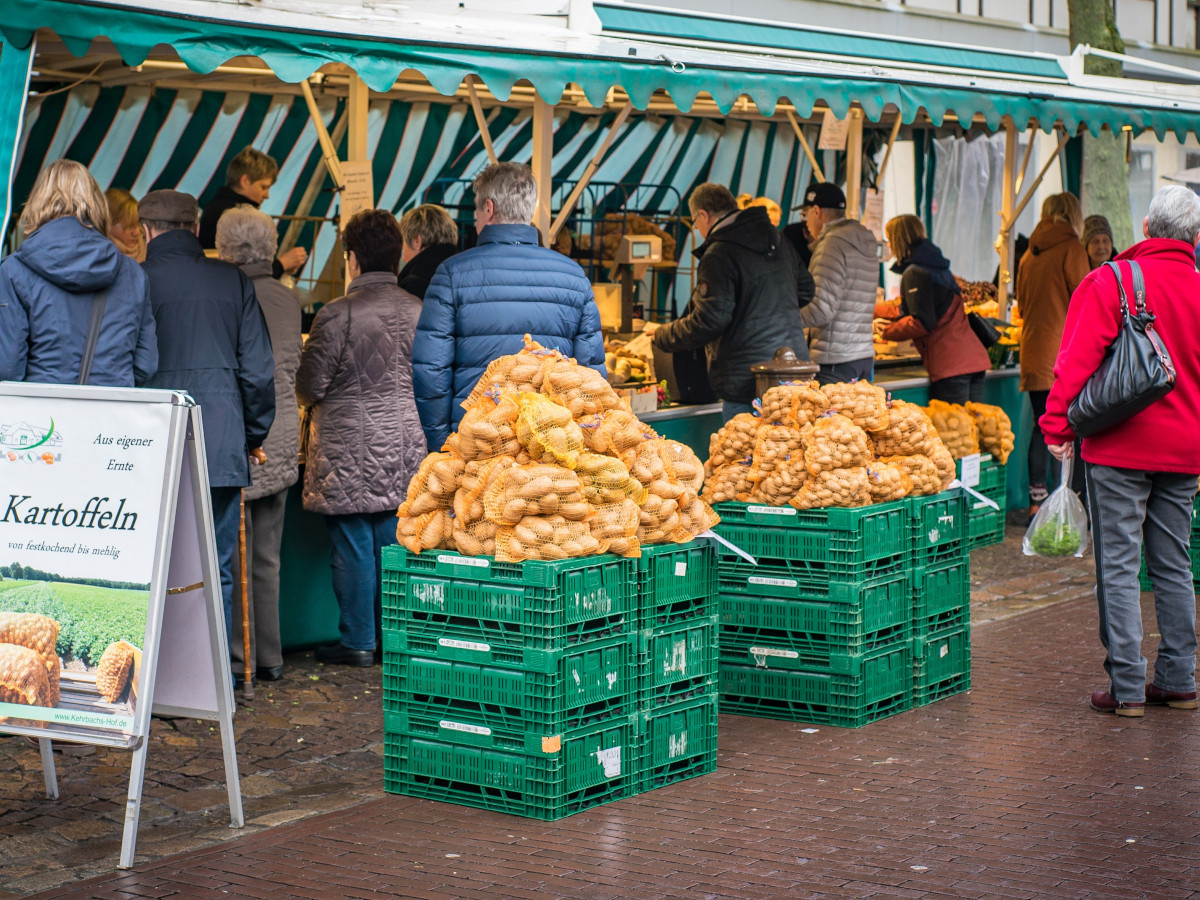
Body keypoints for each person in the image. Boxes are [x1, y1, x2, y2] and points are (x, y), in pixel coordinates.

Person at [1041, 185, 1200, 717]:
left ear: (1148, 228)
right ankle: (1179, 679)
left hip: (1117, 448)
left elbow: (1075, 362)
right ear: (1196, 238)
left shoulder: (1111, 281)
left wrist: (1057, 425)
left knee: (1118, 564)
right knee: (1174, 564)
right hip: (1186, 450)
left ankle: (1127, 688)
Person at [140, 189, 276, 655]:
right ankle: (212, 678)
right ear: (196, 229)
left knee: (149, 563)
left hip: (146, 446)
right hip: (218, 442)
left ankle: (157, 678)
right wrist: (251, 435)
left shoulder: (133, 282)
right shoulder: (232, 282)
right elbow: (258, 371)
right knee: (215, 567)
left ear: (144, 232)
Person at [296, 209, 426, 667]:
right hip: (406, 443)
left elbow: (309, 386)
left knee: (352, 544)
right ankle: (394, 637)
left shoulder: (337, 314)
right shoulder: (418, 310)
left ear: (351, 259)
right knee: (393, 543)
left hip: (346, 448)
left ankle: (357, 641)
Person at [412, 162, 604, 450]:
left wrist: (443, 444)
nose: (476, 219)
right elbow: (591, 379)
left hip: (474, 444)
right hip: (550, 450)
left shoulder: (452, 274)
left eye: (477, 211)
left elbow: (430, 373)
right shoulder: (573, 276)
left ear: (488, 208)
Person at [216, 205, 302, 684]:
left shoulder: (226, 295)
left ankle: (238, 656)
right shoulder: (288, 300)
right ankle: (269, 655)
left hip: (244, 437)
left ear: (225, 248)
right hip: (284, 435)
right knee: (268, 555)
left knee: (231, 554)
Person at [646, 183, 814, 421]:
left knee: (741, 453)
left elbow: (709, 321)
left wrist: (661, 334)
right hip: (793, 367)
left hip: (748, 379)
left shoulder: (718, 254)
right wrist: (767, 305)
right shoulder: (778, 240)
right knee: (786, 451)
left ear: (703, 215)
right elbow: (806, 290)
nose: (698, 229)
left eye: (695, 223)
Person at [0, 159, 157, 387]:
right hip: (113, 412)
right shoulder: (133, 272)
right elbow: (146, 364)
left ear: (38, 202)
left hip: (45, 415)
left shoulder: (14, 270)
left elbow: (8, 366)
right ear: (96, 203)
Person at [1015, 192, 1090, 519]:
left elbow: (1019, 306)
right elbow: (1087, 300)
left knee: (1042, 428)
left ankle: (1037, 503)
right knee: (1075, 429)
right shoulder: (1072, 248)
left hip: (1032, 352)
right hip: (1065, 356)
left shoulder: (1028, 255)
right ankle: (1072, 504)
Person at [878, 215, 990, 403]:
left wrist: (885, 332)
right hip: (972, 359)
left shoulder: (915, 272)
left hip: (951, 363)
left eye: (889, 239)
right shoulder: (939, 268)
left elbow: (921, 322)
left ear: (898, 239)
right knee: (971, 426)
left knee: (953, 428)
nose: (888, 245)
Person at [799, 183, 879, 384]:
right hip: (863, 356)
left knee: (830, 416)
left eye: (804, 215)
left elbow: (821, 310)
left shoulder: (830, 246)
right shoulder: (865, 242)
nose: (805, 223)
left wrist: (786, 317)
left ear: (816, 211)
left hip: (835, 360)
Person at [198, 147, 308, 278]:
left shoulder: (215, 206)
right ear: (245, 181)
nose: (267, 195)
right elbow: (246, 272)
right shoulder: (236, 216)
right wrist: (282, 264)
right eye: (264, 187)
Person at [397, 203, 458, 300]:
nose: (402, 249)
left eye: (403, 242)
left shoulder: (414, 285)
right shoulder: (467, 274)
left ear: (417, 241)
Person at [106, 187, 146, 263]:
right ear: (108, 225)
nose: (137, 232)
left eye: (139, 224)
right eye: (130, 227)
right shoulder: (98, 258)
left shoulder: (151, 250)